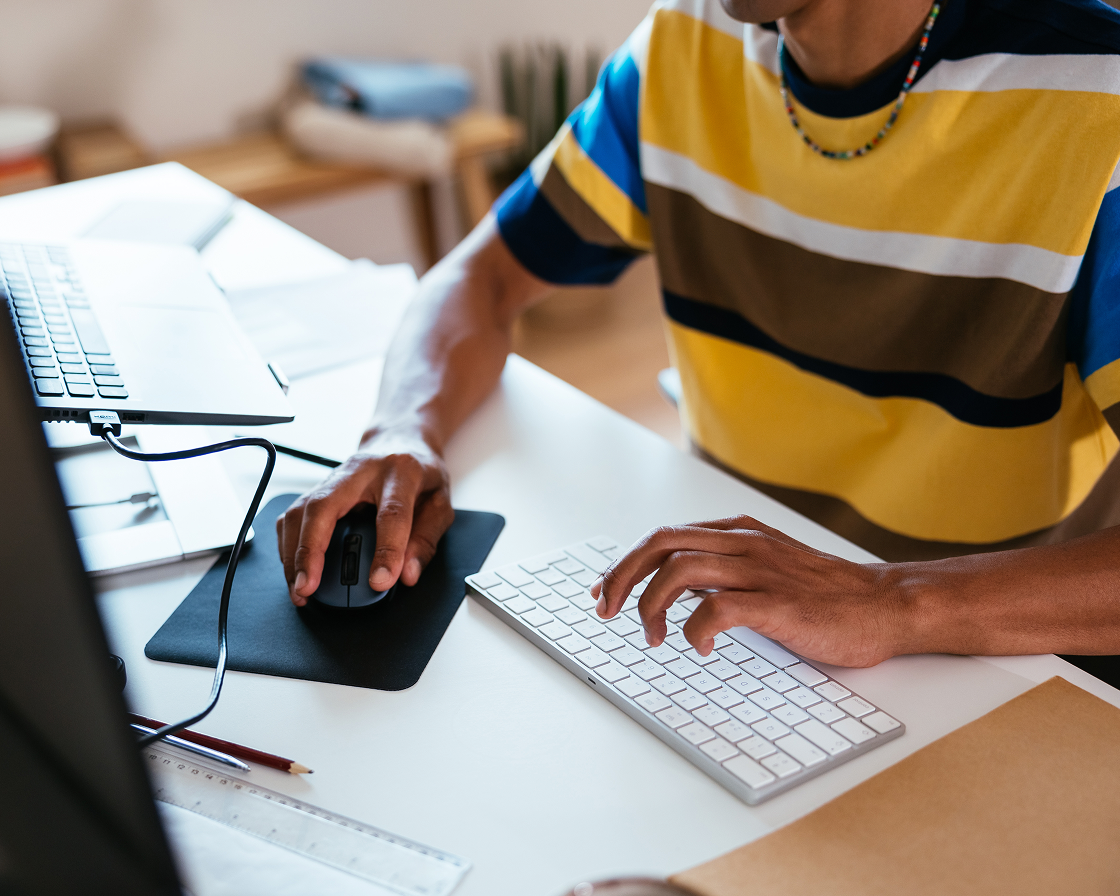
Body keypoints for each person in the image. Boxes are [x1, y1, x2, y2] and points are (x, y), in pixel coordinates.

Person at [277, 0, 1120, 677]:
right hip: (743, 618)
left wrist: (891, 598)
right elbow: (482, 278)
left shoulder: (1098, 96)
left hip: (996, 652)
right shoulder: (683, 43)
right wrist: (402, 428)